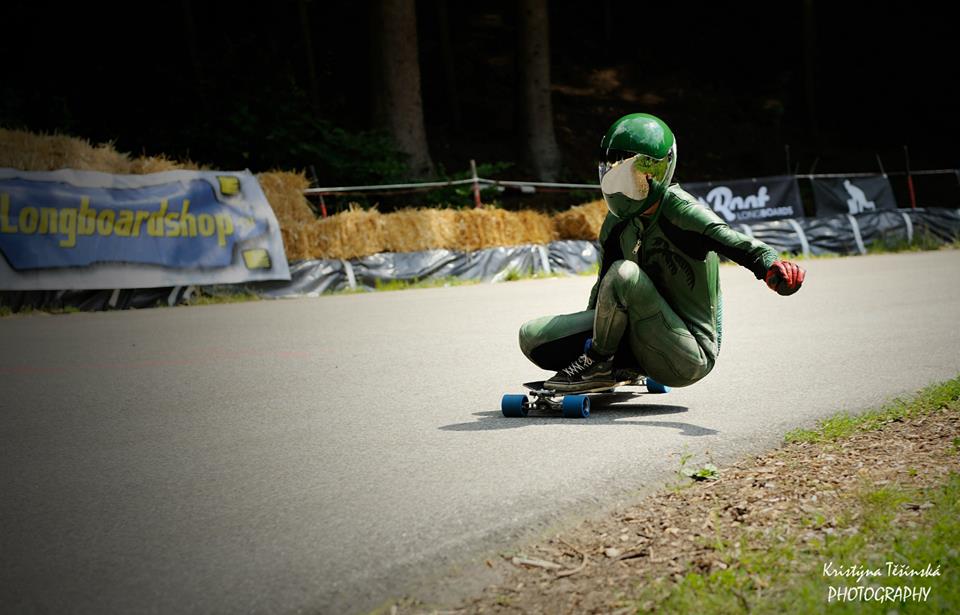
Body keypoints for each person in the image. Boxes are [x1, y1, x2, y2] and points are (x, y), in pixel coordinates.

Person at [518, 113, 805, 392]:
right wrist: (587, 346)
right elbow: (603, 292)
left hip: (688, 354)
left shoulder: (682, 211)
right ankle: (609, 364)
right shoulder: (616, 222)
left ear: (661, 170)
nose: (624, 183)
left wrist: (771, 266)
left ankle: (600, 365)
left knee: (625, 273)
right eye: (615, 170)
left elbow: (738, 243)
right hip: (640, 340)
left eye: (635, 172)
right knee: (531, 337)